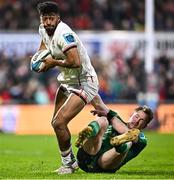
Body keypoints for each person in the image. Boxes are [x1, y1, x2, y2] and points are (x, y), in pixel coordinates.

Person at [34, 1, 108, 174]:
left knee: (60, 122)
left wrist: (53, 63)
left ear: (58, 19)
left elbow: (75, 62)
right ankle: (69, 162)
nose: (48, 22)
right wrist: (40, 60)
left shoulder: (64, 33)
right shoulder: (43, 29)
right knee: (56, 123)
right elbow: (44, 46)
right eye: (45, 19)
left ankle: (69, 164)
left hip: (84, 81)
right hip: (68, 81)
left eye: (51, 18)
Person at [76, 105, 153, 173]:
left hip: (102, 166)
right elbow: (98, 101)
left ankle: (121, 146)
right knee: (103, 120)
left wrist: (110, 117)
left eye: (141, 120)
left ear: (144, 126)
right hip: (87, 155)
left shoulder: (142, 140)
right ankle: (90, 130)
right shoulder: (116, 119)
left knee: (128, 142)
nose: (137, 121)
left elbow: (135, 137)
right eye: (136, 116)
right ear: (131, 115)